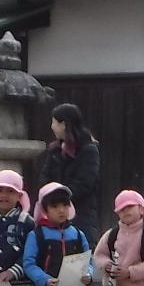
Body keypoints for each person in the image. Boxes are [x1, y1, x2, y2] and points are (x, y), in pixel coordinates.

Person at [36, 104, 102, 246]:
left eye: (54, 122)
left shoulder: (89, 150)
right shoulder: (55, 150)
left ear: (63, 124)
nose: (52, 126)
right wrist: (49, 195)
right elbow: (45, 175)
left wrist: (61, 197)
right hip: (52, 211)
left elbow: (84, 183)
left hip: (80, 214)